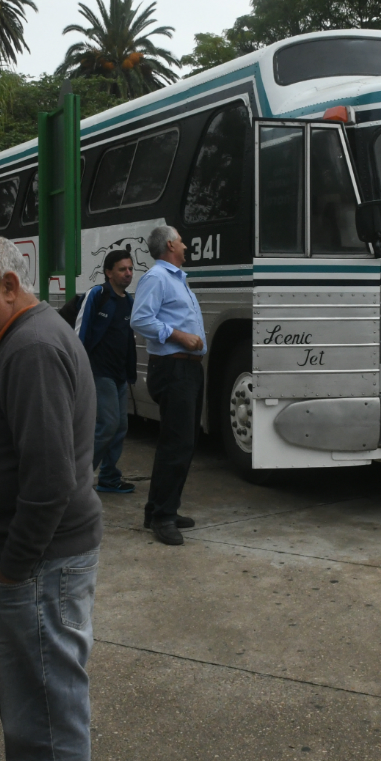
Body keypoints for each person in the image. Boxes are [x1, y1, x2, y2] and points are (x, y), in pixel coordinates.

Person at [0, 235, 101, 761]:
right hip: (39, 563)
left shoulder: (32, 347)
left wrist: (14, 570)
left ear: (9, 285)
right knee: (34, 707)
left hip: (39, 566)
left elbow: (50, 478)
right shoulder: (23, 338)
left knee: (44, 722)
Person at [130, 225, 206, 546]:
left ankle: (161, 510)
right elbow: (140, 319)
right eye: (182, 241)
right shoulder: (157, 278)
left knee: (182, 443)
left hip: (187, 370)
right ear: (171, 244)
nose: (187, 245)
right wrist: (180, 335)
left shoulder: (176, 278)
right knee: (177, 443)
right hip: (173, 369)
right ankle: (162, 517)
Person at [75, 249, 137, 494]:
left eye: (131, 269)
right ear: (109, 272)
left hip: (119, 375)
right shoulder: (97, 295)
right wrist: (77, 369)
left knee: (120, 426)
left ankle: (110, 479)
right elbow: (79, 332)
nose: (128, 273)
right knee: (108, 424)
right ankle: (77, 479)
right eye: (122, 269)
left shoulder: (129, 301)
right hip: (98, 372)